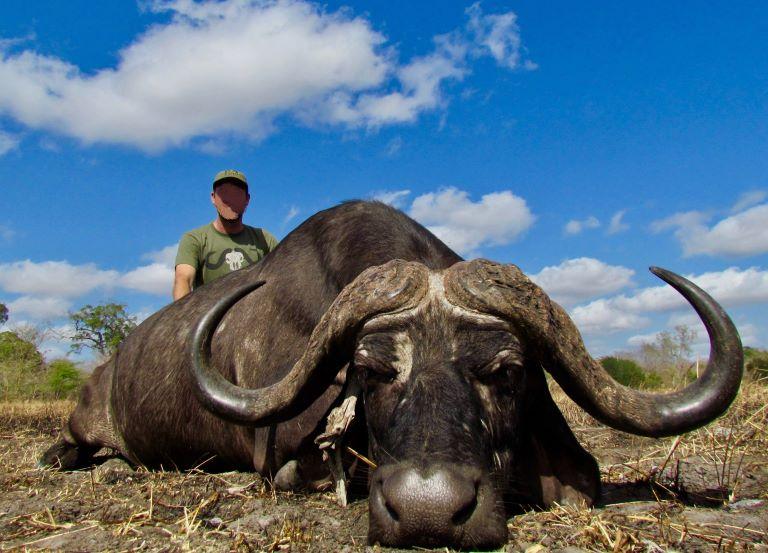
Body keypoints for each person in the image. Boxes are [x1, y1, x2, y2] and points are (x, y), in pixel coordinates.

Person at [173, 169, 278, 300]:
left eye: (237, 193)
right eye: (224, 193)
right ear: (213, 198)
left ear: (247, 199)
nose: (230, 200)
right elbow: (184, 279)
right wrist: (184, 312)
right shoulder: (194, 239)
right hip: (212, 311)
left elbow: (284, 274)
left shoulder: (265, 239)